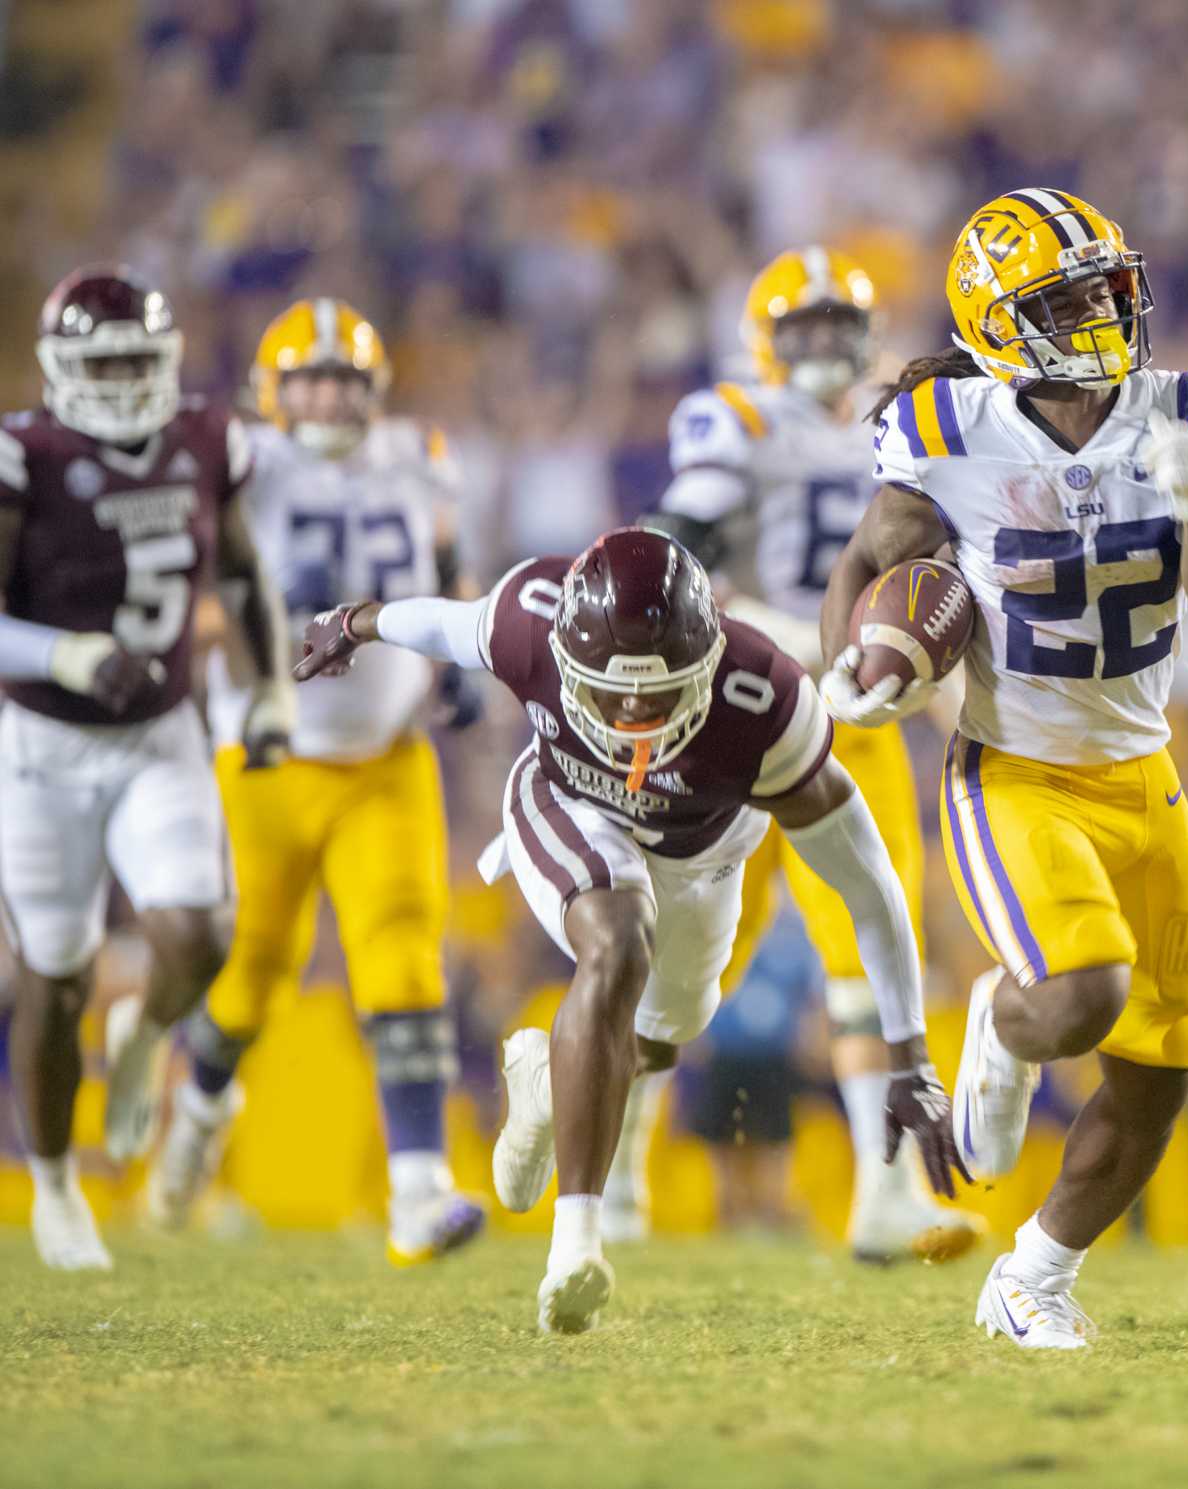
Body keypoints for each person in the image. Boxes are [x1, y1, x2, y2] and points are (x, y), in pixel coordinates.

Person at [293, 526, 962, 1333]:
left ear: (708, 661)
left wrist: (910, 1053)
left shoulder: (766, 703)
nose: (636, 716)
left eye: (659, 693)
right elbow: (446, 623)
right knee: (617, 937)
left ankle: (547, 1083)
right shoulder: (527, 617)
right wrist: (356, 622)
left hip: (706, 855)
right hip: (565, 804)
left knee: (660, 1032)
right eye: (613, 695)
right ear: (569, 661)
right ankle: (576, 1242)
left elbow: (873, 886)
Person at [818, 187, 1188, 1350]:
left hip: (1141, 766)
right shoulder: (950, 431)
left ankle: (1034, 1277)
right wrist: (850, 676)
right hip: (1015, 769)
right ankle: (1005, 1023)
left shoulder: (1186, 413)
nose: (1107, 312)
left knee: (1167, 1059)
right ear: (996, 322)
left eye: (1111, 286)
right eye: (1069, 299)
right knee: (1081, 992)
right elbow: (873, 560)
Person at [642, 246, 978, 1264]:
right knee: (685, 954)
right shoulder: (734, 420)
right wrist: (786, 636)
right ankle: (608, 1172)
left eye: (842, 327)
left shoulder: (905, 425)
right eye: (805, 330)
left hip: (857, 712)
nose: (827, 348)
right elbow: (679, 545)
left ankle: (884, 1197)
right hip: (743, 701)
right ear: (762, 342)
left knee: (875, 958)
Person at [150, 298, 487, 1267]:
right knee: (250, 970)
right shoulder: (243, 462)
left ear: (373, 387)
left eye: (345, 379)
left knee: (402, 948)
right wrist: (240, 630)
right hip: (263, 753)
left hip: (383, 753)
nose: (330, 397)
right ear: (274, 389)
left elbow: (452, 569)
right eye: (311, 379)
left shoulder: (420, 452)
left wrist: (459, 661)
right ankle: (195, 1123)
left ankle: (417, 1192)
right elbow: (195, 601)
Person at [0, 265, 292, 1271]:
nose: (126, 377)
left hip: (159, 732)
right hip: (44, 744)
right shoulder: (23, 453)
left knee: (199, 932)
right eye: (107, 360)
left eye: (140, 358)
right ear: (63, 367)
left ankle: (144, 1039)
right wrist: (60, 652)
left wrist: (272, 690)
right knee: (56, 971)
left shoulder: (208, 440)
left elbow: (248, 573)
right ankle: (52, 1183)